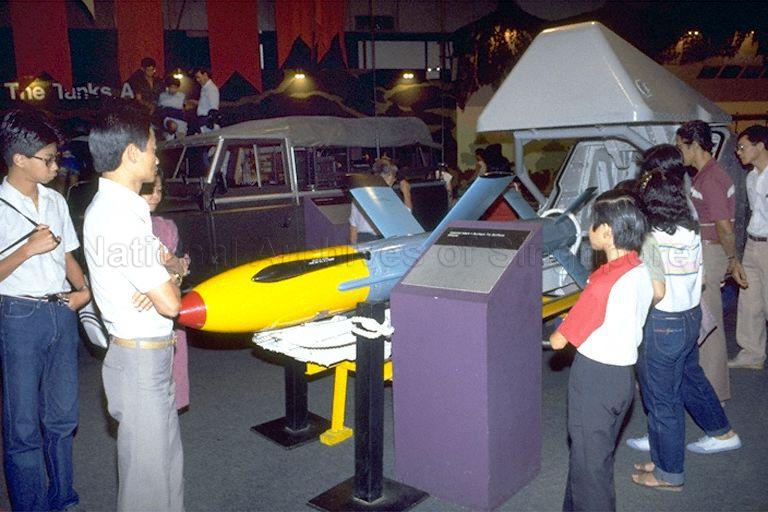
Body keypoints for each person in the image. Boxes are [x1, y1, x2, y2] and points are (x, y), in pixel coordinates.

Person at [84, 105, 183, 511]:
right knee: (149, 484)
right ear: (130, 153)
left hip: (143, 358)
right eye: (153, 148)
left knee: (160, 473)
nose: (157, 157)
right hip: (140, 362)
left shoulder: (119, 210)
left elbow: (164, 287)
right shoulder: (121, 216)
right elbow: (171, 303)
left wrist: (165, 280)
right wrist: (167, 281)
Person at [0, 109, 91, 511]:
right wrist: (26, 250)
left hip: (60, 312)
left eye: (57, 158)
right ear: (20, 159)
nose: (57, 166)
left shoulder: (54, 199)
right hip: (19, 315)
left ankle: (63, 498)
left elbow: (68, 255)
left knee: (62, 418)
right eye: (48, 159)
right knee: (22, 427)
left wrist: (84, 290)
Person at [630, 165, 741, 492]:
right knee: (690, 377)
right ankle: (713, 433)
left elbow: (655, 290)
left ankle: (669, 473)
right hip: (690, 318)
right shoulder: (690, 229)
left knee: (662, 400)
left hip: (662, 323)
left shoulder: (649, 239)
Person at [549, 190, 653, 511]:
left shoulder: (603, 284)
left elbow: (558, 342)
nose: (588, 230)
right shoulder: (639, 269)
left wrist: (566, 323)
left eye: (593, 225)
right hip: (622, 379)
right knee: (590, 459)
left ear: (608, 232)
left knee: (591, 472)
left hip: (595, 380)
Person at [675, 120, 735, 402]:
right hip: (708, 250)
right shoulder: (705, 175)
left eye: (680, 147)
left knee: (709, 323)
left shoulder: (710, 178)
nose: (679, 153)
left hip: (712, 251)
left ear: (694, 145)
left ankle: (716, 393)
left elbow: (724, 226)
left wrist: (732, 259)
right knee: (706, 320)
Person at [140, 174, 191, 409]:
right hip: (139, 320)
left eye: (159, 190)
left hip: (169, 307)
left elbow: (181, 269)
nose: (155, 196)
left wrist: (175, 276)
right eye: (149, 190)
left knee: (172, 378)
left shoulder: (167, 227)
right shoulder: (124, 227)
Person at [729, 125, 768, 370]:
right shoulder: (752, 177)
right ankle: (752, 353)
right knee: (750, 301)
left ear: (760, 146)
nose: (739, 152)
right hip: (754, 243)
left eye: (743, 147)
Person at [190, 68, 220, 133]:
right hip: (203, 121)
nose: (197, 80)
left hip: (208, 122)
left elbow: (213, 107)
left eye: (198, 77)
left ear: (205, 75)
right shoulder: (205, 88)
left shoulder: (211, 88)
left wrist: (210, 123)